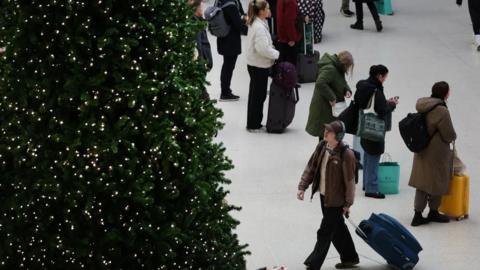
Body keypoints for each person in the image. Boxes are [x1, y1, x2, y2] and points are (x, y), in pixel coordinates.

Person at [297, 121, 360, 270]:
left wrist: (347, 203)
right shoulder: (321, 147)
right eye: (326, 130)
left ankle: (314, 264)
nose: (325, 133)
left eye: (329, 132)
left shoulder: (346, 154)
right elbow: (311, 167)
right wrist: (302, 187)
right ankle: (350, 257)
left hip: (336, 201)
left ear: (337, 136)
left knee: (325, 231)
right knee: (337, 228)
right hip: (324, 195)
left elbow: (350, 181)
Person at [409, 82, 457, 227]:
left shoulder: (423, 104)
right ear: (445, 94)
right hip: (436, 152)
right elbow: (448, 134)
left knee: (422, 182)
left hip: (421, 148)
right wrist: (454, 136)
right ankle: (433, 211)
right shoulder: (442, 110)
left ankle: (417, 214)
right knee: (438, 180)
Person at [353, 65, 397, 199]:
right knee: (374, 154)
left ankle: (367, 184)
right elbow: (382, 110)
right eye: (385, 76)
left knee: (367, 154)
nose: (385, 79)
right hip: (374, 128)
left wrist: (384, 102)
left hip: (364, 126)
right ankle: (371, 188)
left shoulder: (363, 87)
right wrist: (392, 104)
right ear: (379, 76)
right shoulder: (376, 90)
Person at [245, 0, 280, 132]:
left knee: (255, 94)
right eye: (268, 8)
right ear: (261, 11)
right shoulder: (259, 27)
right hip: (259, 65)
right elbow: (263, 49)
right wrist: (277, 54)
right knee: (258, 96)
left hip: (255, 63)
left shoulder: (258, 22)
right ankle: (254, 124)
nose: (270, 10)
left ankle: (254, 122)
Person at [306, 51, 354, 140]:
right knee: (325, 136)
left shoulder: (338, 68)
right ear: (344, 64)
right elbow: (320, 83)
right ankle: (322, 154)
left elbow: (340, 81)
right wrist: (332, 97)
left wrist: (346, 90)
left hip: (328, 108)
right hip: (323, 108)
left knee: (328, 135)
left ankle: (325, 153)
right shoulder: (331, 69)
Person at [217, 0, 248, 101]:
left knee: (227, 66)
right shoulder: (230, 6)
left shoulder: (225, 2)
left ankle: (225, 90)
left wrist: (243, 17)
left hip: (224, 39)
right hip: (230, 41)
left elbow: (241, 14)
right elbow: (238, 24)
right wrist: (251, 30)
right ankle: (225, 92)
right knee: (228, 67)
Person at [276, 0, 302, 64]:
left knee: (284, 63)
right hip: (289, 38)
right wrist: (292, 38)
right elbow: (289, 22)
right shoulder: (290, 2)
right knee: (291, 64)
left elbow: (280, 18)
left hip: (283, 36)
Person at [191, 0, 213, 71]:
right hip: (201, 65)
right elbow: (198, 46)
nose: (203, 9)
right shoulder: (195, 24)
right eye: (201, 7)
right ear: (196, 9)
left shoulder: (199, 21)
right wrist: (203, 64)